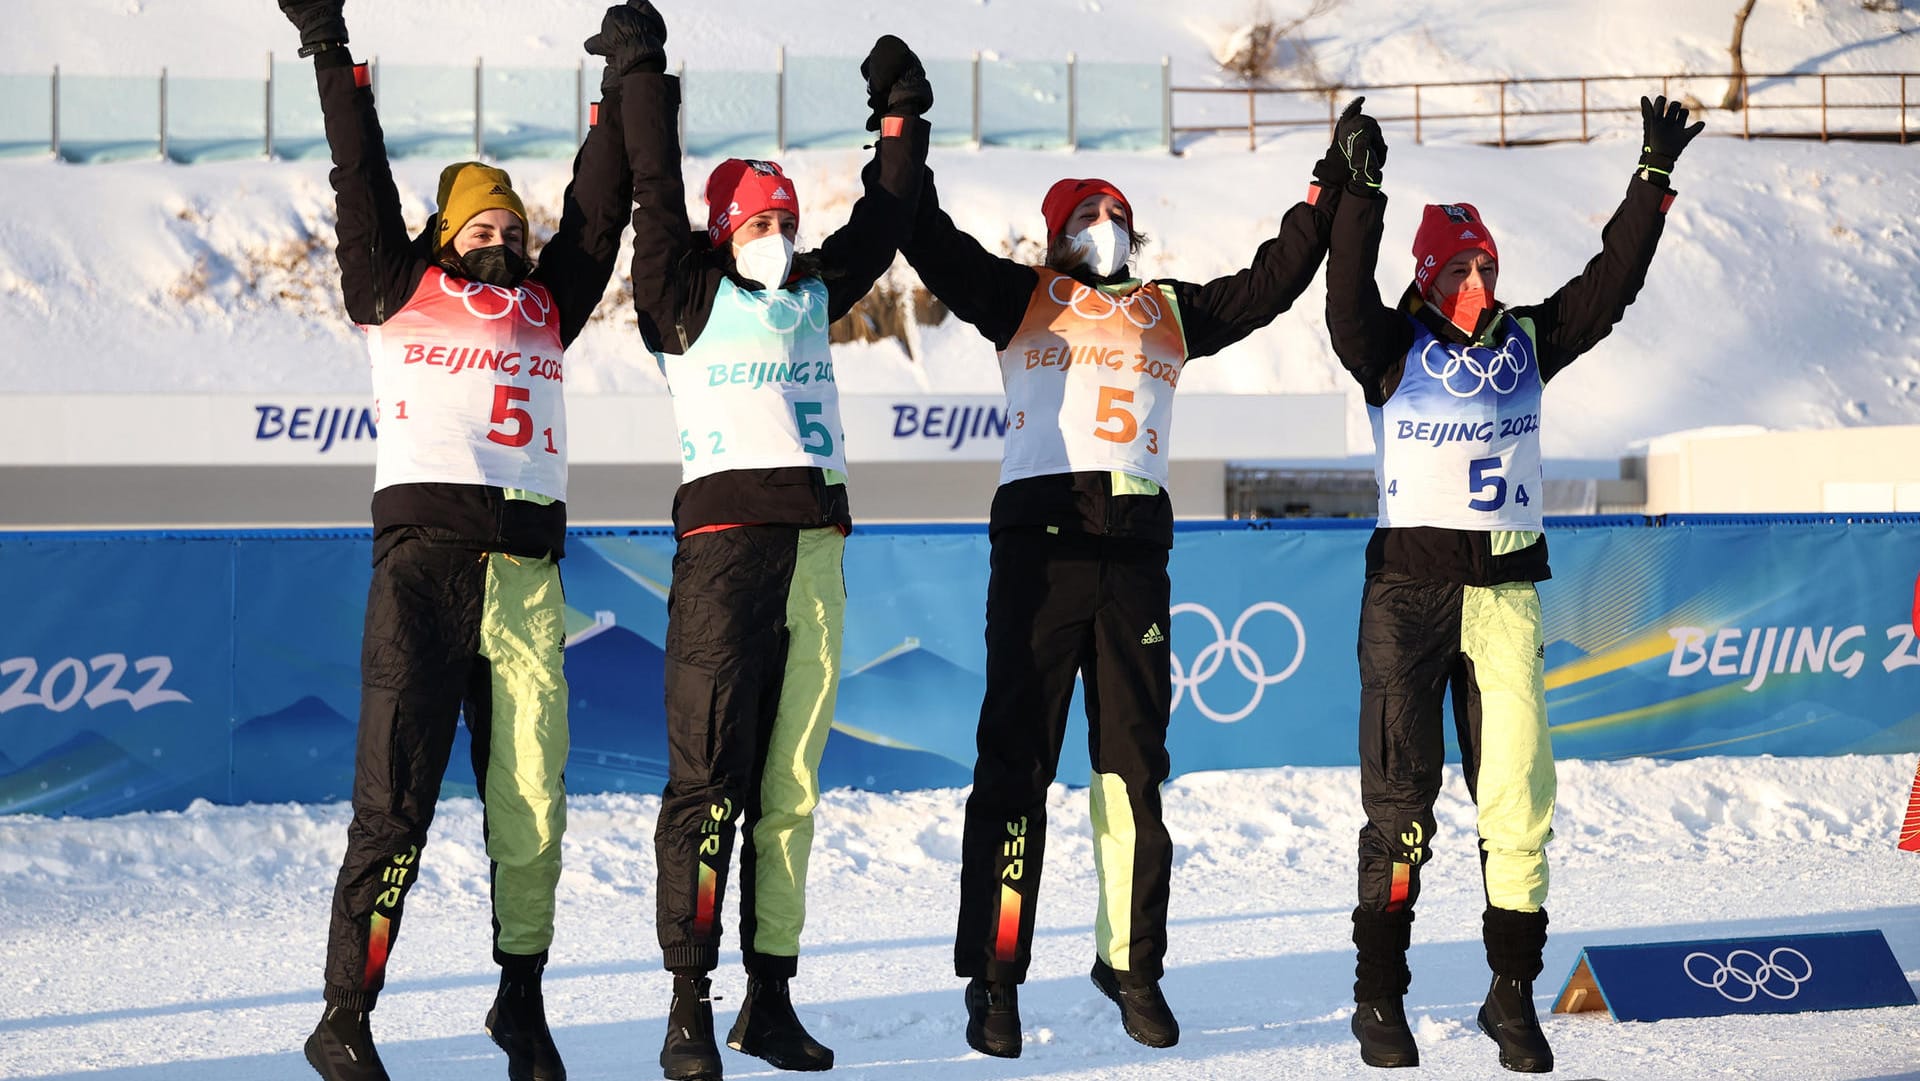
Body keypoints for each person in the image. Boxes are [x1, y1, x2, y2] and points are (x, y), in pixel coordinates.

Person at [899, 143, 1345, 1057]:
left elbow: (1272, 282)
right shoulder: (1021, 295)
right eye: (1086, 216)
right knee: (1016, 767)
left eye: (1116, 214)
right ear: (1057, 233)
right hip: (1042, 549)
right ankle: (996, 974)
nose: (1105, 228)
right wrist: (904, 137)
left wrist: (1325, 192)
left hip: (1136, 555)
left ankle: (1132, 964)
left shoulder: (1169, 309)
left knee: (1133, 772)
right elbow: (931, 241)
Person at [276, 1, 639, 1078]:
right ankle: (346, 1013)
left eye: (512, 228)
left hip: (527, 575)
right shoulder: (396, 286)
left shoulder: (547, 301)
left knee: (532, 801)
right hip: (423, 574)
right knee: (394, 801)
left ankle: (518, 1002)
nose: (504, 239)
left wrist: (619, 94)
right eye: (483, 225)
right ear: (446, 234)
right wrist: (331, 52)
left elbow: (598, 211)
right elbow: (359, 175)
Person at [1321, 95, 1702, 1073]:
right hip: (1407, 597)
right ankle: (1379, 995)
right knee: (1399, 804)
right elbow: (1342, 296)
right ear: (1427, 274)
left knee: (1518, 797)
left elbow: (1607, 287)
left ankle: (1511, 993)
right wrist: (1359, 191)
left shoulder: (1529, 339)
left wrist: (1650, 183)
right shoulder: (1386, 346)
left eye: (1487, 264)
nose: (1479, 279)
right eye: (1460, 267)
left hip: (1506, 597)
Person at [614, 14, 933, 1080]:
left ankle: (771, 997)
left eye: (787, 219)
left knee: (790, 786)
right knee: (708, 783)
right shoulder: (684, 298)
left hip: (816, 556)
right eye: (759, 219)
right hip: (721, 553)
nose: (780, 235)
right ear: (722, 231)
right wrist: (641, 73)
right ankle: (688, 1006)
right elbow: (654, 189)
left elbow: (881, 226)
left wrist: (898, 121)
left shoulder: (808, 298)